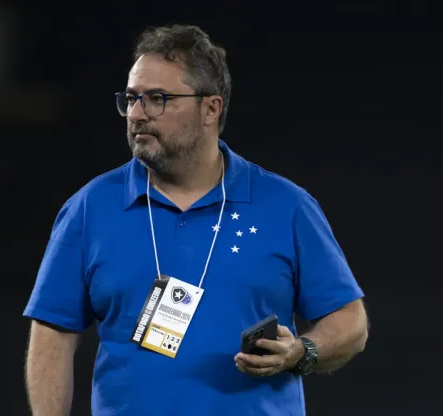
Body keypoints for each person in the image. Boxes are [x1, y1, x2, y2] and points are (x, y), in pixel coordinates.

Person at [23, 24, 368, 416]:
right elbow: (53, 331)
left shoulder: (287, 206)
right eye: (131, 99)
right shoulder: (90, 208)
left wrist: (302, 352)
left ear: (211, 108)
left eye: (157, 99)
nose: (137, 114)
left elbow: (350, 321)